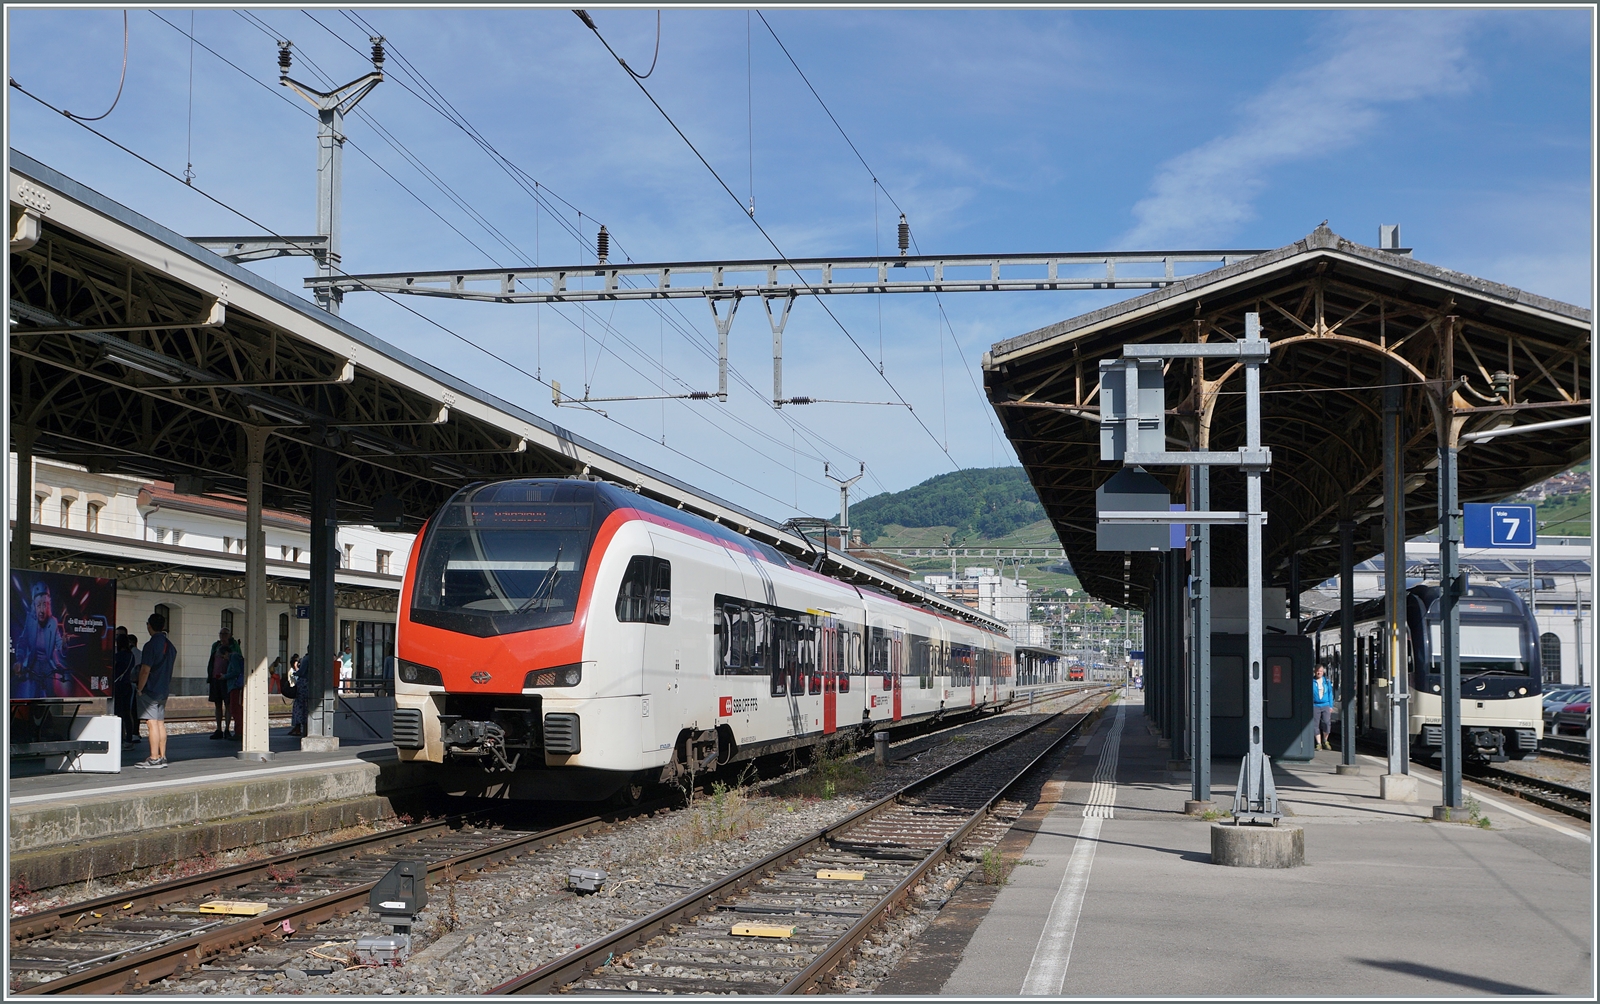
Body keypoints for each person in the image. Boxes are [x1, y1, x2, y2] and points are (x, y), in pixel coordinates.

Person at [134, 611, 177, 768]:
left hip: (151, 689)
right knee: (160, 723)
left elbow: (145, 670)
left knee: (151, 723)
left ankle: (153, 757)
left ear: (149, 626)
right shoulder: (170, 646)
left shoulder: (150, 645)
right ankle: (162, 756)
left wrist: (139, 688)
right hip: (164, 688)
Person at [12, 580, 67, 699]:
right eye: (38, 605)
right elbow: (23, 642)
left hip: (48, 663)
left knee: (51, 695)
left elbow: (59, 643)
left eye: (45, 605)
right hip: (34, 663)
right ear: (34, 607)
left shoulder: (53, 622)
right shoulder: (30, 620)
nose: (42, 610)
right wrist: (19, 660)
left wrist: (63, 643)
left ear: (49, 606)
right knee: (32, 695)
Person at [206, 628, 236, 739]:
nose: (222, 636)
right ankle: (219, 729)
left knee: (228, 704)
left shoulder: (234, 646)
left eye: (225, 634)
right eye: (221, 634)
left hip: (227, 679)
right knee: (217, 704)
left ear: (230, 635)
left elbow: (237, 658)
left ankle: (227, 729)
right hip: (215, 678)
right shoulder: (215, 646)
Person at [113, 632, 140, 745]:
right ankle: (129, 738)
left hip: (118, 685)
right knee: (127, 713)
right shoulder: (131, 655)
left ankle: (119, 737)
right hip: (128, 685)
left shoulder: (117, 656)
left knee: (118, 713)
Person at [224, 639, 246, 741]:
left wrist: (224, 676)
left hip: (235, 686)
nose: (224, 659)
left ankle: (239, 732)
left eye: (223, 656)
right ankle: (239, 731)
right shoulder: (237, 656)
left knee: (235, 709)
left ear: (226, 653)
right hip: (237, 686)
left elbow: (236, 671)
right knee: (237, 709)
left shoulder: (233, 658)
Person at [1312, 663, 1336, 751]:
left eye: (1321, 671)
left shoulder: (1326, 681)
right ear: (1315, 671)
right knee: (1315, 724)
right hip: (1315, 705)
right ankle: (1318, 743)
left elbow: (1330, 693)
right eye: (1318, 671)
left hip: (1325, 705)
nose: (1319, 673)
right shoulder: (1312, 682)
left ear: (1323, 672)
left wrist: (1331, 705)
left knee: (1326, 722)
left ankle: (1325, 740)